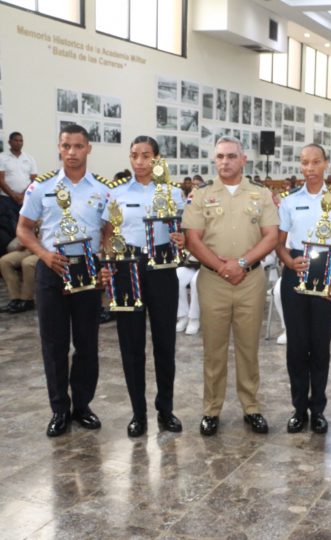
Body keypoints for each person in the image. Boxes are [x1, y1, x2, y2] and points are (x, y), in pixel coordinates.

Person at [16, 124, 111, 436]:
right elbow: (24, 229)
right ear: (59, 148)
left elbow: (110, 233)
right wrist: (43, 255)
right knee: (54, 345)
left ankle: (82, 406)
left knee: (87, 344)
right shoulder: (40, 188)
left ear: (88, 149)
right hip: (51, 270)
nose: (72, 153)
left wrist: (104, 264)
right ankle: (59, 409)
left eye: (78, 146)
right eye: (66, 146)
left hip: (88, 274)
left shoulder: (102, 189)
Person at [182, 136, 279, 436]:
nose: (225, 162)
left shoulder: (261, 195)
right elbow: (192, 238)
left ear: (243, 159)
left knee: (249, 347)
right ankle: (212, 409)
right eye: (220, 157)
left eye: (231, 156)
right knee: (214, 348)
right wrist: (222, 265)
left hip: (250, 279)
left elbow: (271, 235)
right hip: (213, 280)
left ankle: (251, 407)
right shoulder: (201, 195)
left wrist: (240, 263)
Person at [100, 136, 185, 437]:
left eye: (146, 155)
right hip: (127, 269)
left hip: (162, 268)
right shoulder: (116, 194)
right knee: (130, 343)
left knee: (165, 343)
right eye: (134, 155)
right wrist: (108, 266)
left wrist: (182, 240)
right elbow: (108, 235)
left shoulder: (174, 192)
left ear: (157, 158)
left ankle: (166, 409)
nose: (139, 161)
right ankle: (138, 413)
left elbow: (184, 231)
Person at [276, 144, 331, 434]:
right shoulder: (289, 202)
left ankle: (318, 409)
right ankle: (298, 409)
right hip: (295, 276)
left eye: (315, 162)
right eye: (305, 163)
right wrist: (289, 262)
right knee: (297, 347)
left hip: (327, 276)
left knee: (320, 347)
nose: (310, 168)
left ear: (326, 164)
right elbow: (279, 244)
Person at [0, 132, 37, 253]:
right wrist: (13, 195)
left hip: (25, 199)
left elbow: (34, 180)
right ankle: (7, 257)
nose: (18, 143)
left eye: (20, 140)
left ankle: (19, 255)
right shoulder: (2, 157)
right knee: (9, 229)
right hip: (6, 199)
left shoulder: (29, 158)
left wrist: (23, 195)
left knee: (24, 227)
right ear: (10, 142)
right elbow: (1, 179)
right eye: (15, 140)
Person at [0, 238, 38, 313]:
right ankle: (15, 299)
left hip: (46, 250)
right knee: (4, 261)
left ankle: (27, 300)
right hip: (30, 247)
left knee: (27, 263)